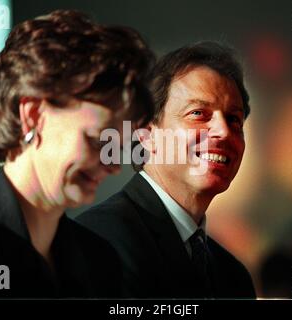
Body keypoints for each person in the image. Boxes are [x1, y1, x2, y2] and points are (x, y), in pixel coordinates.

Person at [0, 9, 154, 298]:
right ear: (33, 116)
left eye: (118, 146)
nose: (114, 165)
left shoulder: (101, 261)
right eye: (98, 140)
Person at [77, 42, 256, 298]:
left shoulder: (233, 276)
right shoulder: (99, 242)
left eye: (233, 119)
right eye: (198, 113)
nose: (224, 131)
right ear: (147, 135)